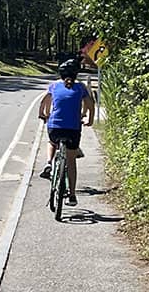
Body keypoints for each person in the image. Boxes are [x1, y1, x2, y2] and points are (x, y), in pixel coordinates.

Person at [38, 58, 95, 206]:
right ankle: (72, 195)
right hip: (73, 129)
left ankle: (50, 164)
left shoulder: (54, 86)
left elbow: (43, 101)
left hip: (55, 128)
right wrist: (90, 120)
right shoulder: (81, 87)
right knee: (71, 160)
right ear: (76, 74)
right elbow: (90, 105)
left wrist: (43, 114)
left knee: (52, 141)